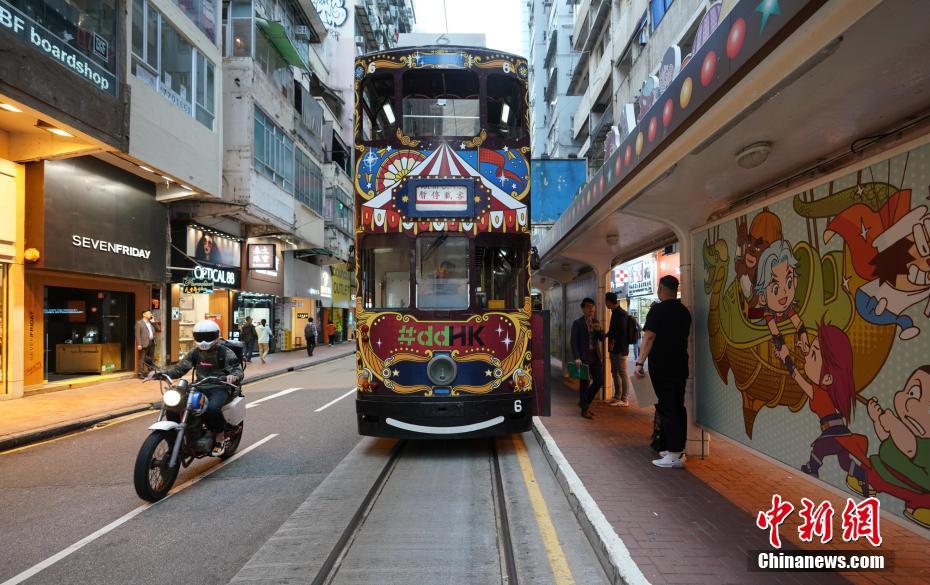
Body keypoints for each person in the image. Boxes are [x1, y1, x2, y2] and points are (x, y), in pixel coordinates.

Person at [789, 322, 870, 494]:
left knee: (819, 448)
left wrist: (786, 358)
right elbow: (814, 365)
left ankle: (812, 468)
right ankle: (862, 475)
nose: (808, 356)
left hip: (833, 431)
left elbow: (797, 376)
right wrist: (806, 349)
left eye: (813, 354)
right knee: (844, 463)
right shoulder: (825, 385)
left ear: (827, 378)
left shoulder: (817, 391)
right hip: (840, 430)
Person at [148, 320, 243, 456]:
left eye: (208, 336)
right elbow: (179, 369)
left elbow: (237, 370)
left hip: (220, 387)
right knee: (176, 405)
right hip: (199, 386)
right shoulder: (195, 353)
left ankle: (219, 436)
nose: (204, 340)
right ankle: (185, 436)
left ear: (216, 335)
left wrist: (233, 376)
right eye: (200, 336)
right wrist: (160, 373)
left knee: (212, 408)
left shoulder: (225, 352)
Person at [634, 275, 692, 468]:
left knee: (667, 410)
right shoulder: (684, 311)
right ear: (676, 289)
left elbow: (649, 337)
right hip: (680, 367)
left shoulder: (657, 310)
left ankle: (673, 455)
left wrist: (639, 362)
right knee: (677, 407)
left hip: (663, 369)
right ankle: (675, 450)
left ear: (660, 289)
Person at [571, 297, 605, 419]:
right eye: (588, 307)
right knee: (584, 384)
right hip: (583, 358)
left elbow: (602, 338)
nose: (591, 309)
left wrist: (599, 330)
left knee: (599, 381)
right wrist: (577, 357)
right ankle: (584, 410)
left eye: (593, 307)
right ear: (583, 308)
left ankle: (584, 402)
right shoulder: (577, 323)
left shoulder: (596, 322)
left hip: (595, 357)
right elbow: (573, 342)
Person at [605, 292, 631, 407]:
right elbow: (613, 330)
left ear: (610, 302)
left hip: (620, 349)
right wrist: (605, 335)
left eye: (606, 301)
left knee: (622, 372)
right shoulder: (615, 313)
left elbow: (622, 333)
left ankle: (624, 399)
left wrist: (612, 340)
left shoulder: (621, 314)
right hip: (614, 349)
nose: (605, 304)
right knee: (614, 372)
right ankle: (617, 396)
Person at [134, 309, 156, 378]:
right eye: (149, 313)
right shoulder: (139, 323)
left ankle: (151, 372)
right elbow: (137, 334)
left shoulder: (151, 322)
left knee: (150, 358)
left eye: (150, 313)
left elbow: (158, 329)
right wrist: (139, 344)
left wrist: (154, 322)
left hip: (152, 342)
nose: (150, 314)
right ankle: (141, 373)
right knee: (142, 359)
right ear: (144, 314)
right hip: (144, 343)